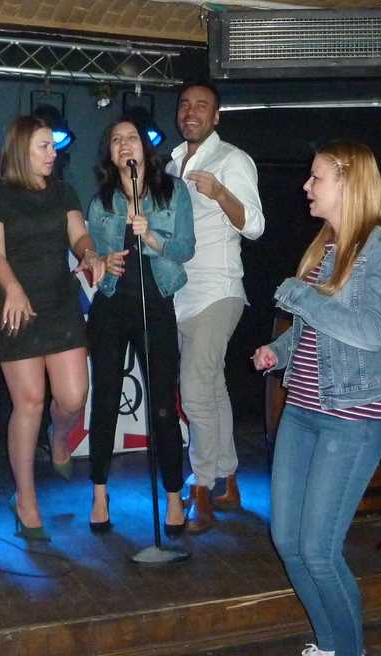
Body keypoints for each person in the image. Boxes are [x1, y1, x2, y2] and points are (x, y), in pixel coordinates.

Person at [252, 141, 381, 656]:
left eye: (316, 177)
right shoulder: (326, 246)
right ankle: (327, 648)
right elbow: (315, 332)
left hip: (349, 420)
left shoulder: (380, 248)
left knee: (319, 549)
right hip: (301, 412)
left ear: (348, 181)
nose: (306, 186)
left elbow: (372, 333)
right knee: (288, 540)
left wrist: (300, 296)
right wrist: (280, 351)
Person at [0, 115, 104, 541]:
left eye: (53, 146)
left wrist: (89, 254)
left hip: (59, 303)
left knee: (73, 397)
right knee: (29, 401)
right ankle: (26, 499)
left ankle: (59, 434)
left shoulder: (63, 191)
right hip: (16, 305)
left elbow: (79, 235)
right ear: (21, 150)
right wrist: (13, 288)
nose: (54, 153)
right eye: (44, 146)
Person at [84, 116, 195, 535]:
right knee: (106, 398)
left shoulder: (173, 192)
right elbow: (93, 254)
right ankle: (99, 492)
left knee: (164, 403)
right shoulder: (102, 201)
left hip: (156, 304)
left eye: (131, 137)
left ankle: (173, 496)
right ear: (110, 154)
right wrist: (101, 260)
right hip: (111, 306)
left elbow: (186, 248)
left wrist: (151, 238)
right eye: (116, 140)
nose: (124, 145)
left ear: (144, 148)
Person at [167, 80, 264, 533]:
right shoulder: (171, 163)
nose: (191, 112)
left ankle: (202, 486)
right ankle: (229, 480)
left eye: (201, 106)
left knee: (192, 391)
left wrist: (221, 193)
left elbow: (256, 226)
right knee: (211, 388)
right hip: (181, 293)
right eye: (185, 105)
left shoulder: (232, 159)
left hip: (218, 290)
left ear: (216, 116)